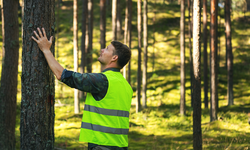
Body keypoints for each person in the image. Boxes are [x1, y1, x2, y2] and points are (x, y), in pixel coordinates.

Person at [32, 28, 133, 150]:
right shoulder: (126, 86)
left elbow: (62, 75)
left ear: (114, 58)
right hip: (121, 146)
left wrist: (46, 50)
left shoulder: (103, 80)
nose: (102, 50)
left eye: (107, 49)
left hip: (102, 145)